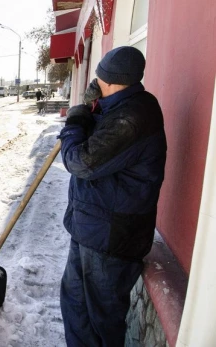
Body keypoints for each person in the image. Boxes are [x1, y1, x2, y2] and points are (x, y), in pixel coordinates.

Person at [57, 46, 167, 347]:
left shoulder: (132, 117)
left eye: (100, 76)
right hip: (90, 229)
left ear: (112, 80)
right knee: (76, 308)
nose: (96, 81)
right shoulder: (117, 108)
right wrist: (92, 110)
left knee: (101, 322)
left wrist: (74, 125)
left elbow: (82, 161)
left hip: (110, 241)